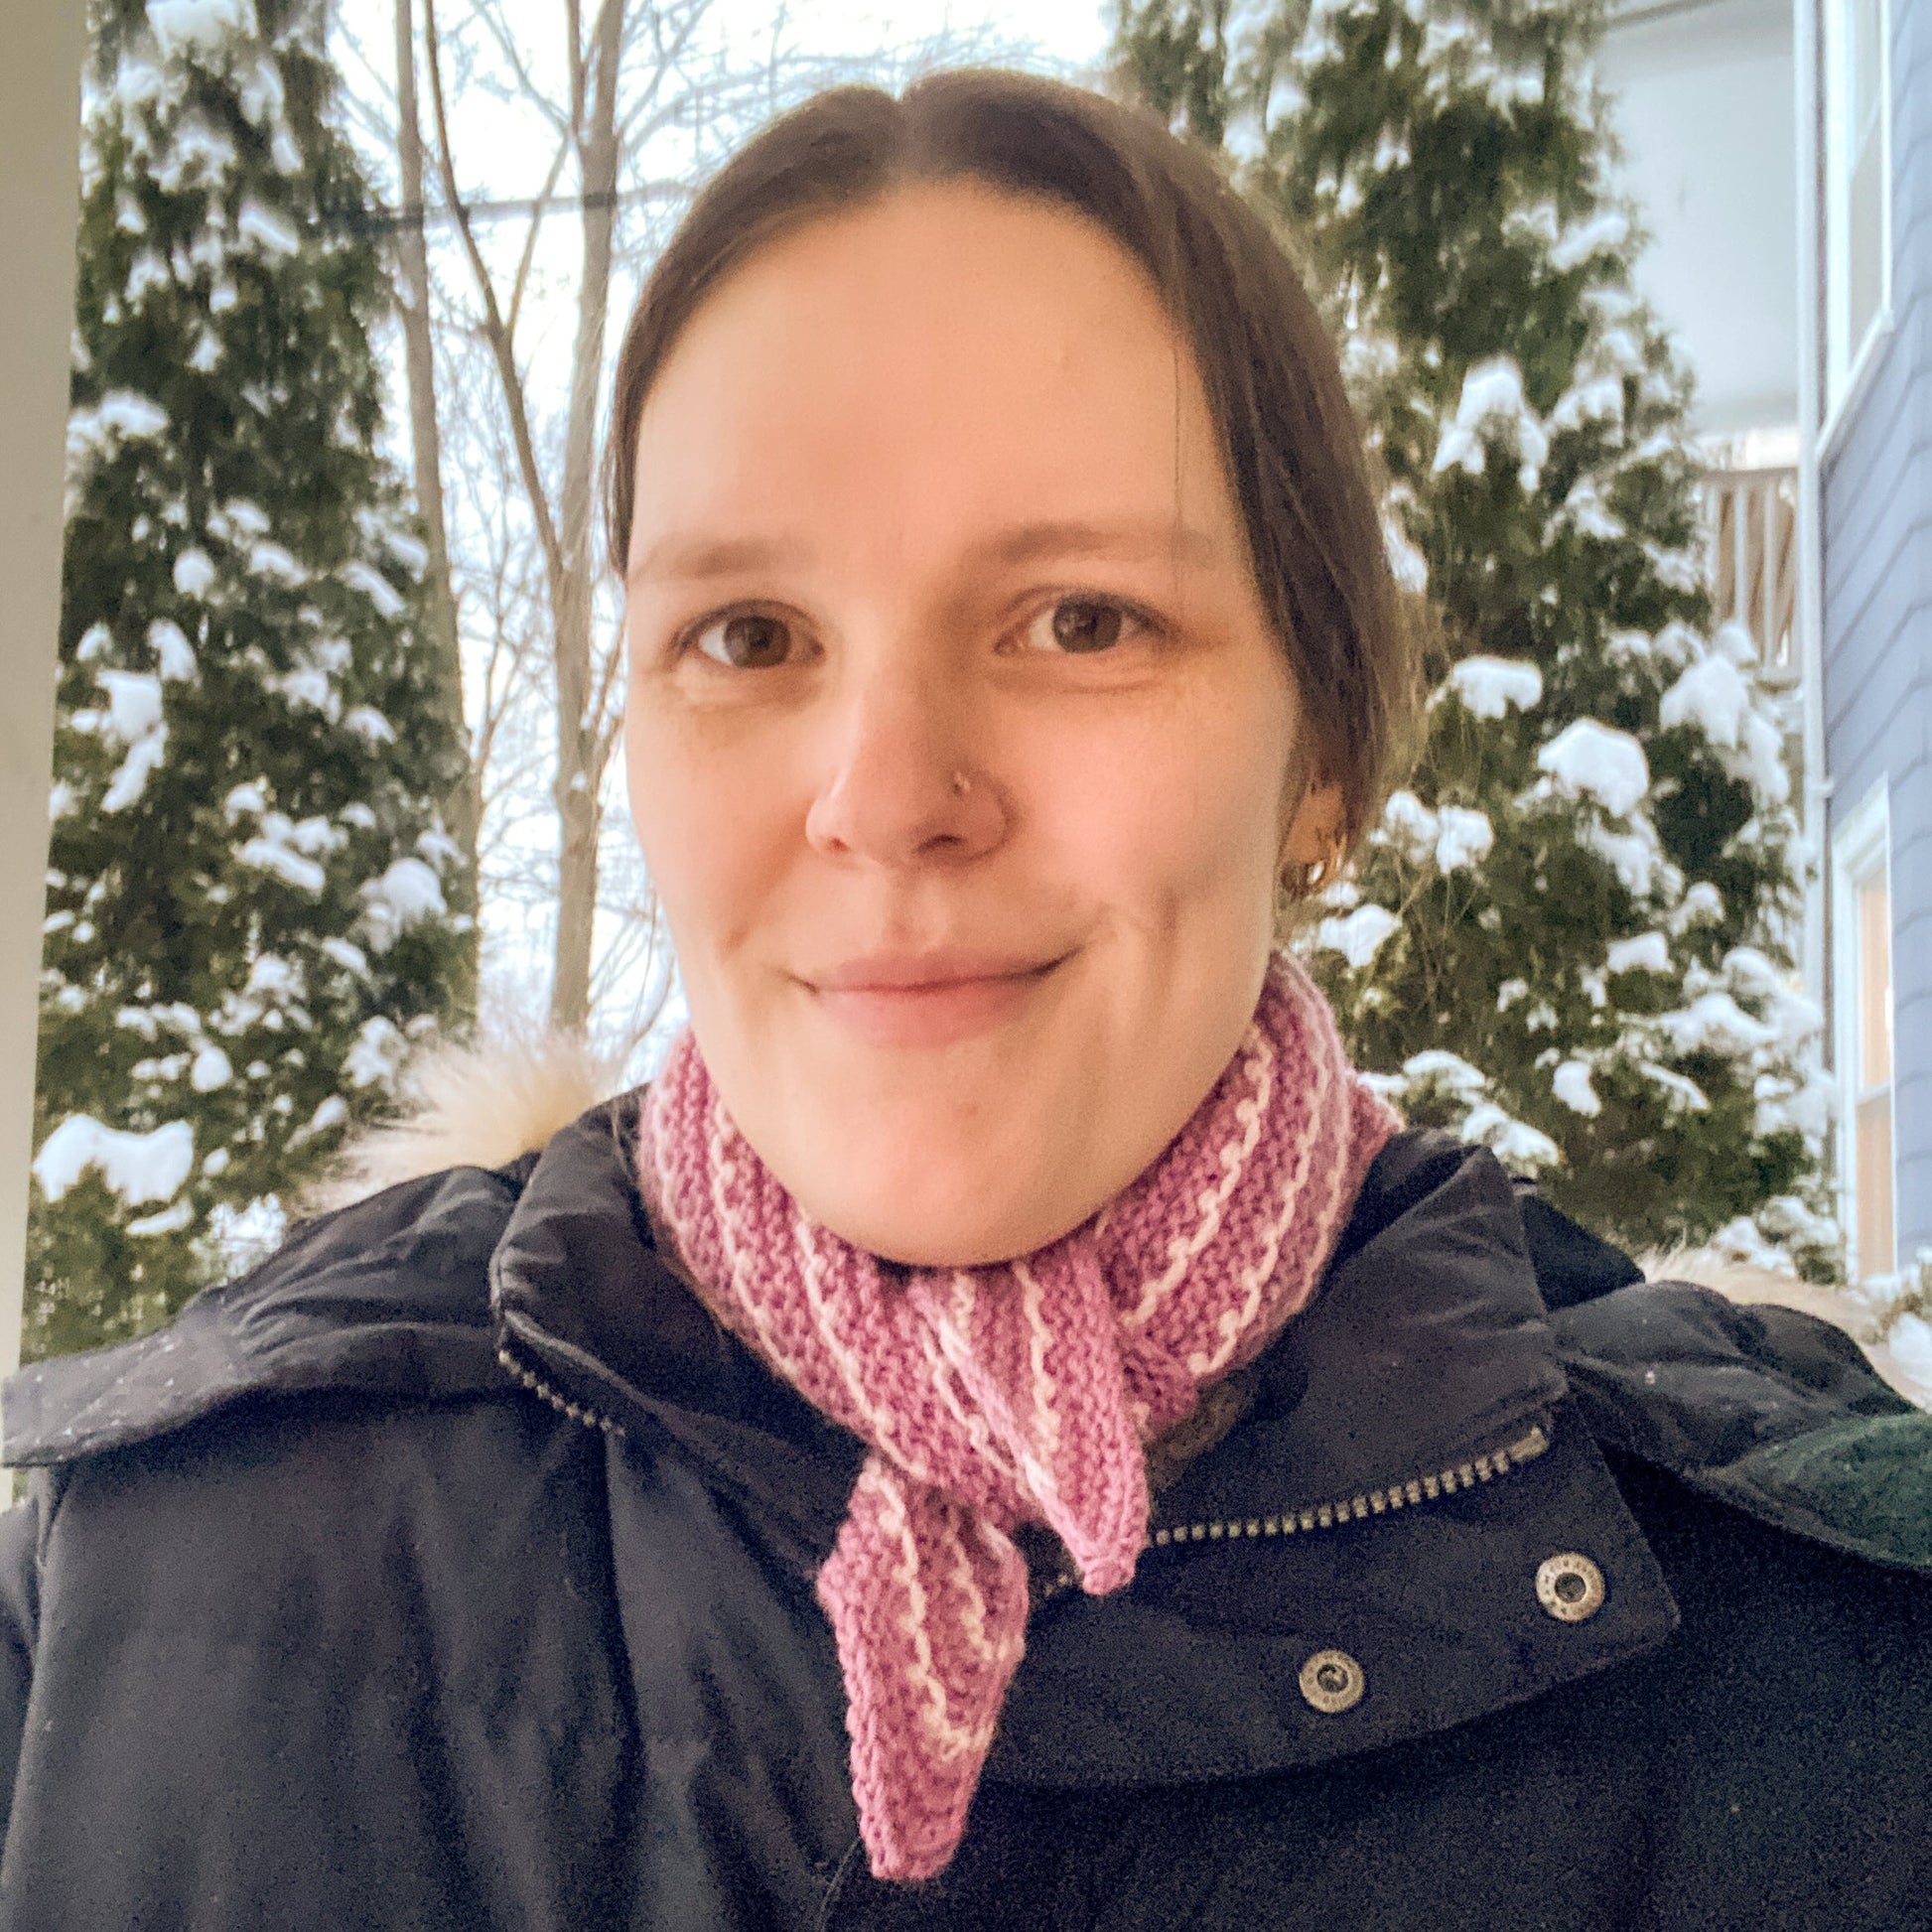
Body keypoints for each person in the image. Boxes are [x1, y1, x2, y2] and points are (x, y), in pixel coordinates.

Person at [1, 68, 1927, 1932]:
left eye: (1081, 618)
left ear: (1320, 759)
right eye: (747, 635)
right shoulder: (152, 1582)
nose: (886, 794)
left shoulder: (1821, 1670)